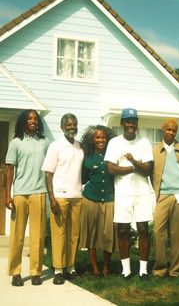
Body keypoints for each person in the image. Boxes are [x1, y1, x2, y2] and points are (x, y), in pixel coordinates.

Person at [104, 108, 153, 280]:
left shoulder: (144, 143)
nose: (130, 124)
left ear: (137, 123)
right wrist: (134, 167)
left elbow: (148, 170)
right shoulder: (114, 143)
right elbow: (110, 168)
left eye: (133, 121)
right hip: (123, 193)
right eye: (127, 121)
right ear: (122, 123)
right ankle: (126, 269)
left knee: (143, 230)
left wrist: (132, 160)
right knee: (123, 229)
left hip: (142, 192)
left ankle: (143, 269)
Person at [5, 109, 48, 287]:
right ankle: (16, 272)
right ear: (23, 121)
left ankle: (35, 272)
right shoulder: (15, 143)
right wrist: (8, 194)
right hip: (20, 194)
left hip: (39, 192)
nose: (33, 121)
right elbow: (10, 170)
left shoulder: (45, 143)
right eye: (29, 118)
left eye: (35, 119)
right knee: (17, 236)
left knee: (37, 236)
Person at [42, 113, 84, 285]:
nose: (72, 127)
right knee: (59, 234)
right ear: (62, 127)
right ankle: (58, 269)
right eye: (69, 125)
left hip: (77, 196)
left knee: (73, 235)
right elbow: (48, 173)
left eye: (74, 125)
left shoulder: (80, 147)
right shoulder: (55, 146)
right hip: (60, 196)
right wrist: (52, 198)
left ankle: (71, 267)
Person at [152, 118, 179, 278]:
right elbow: (152, 174)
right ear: (163, 129)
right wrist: (158, 190)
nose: (171, 132)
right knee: (158, 232)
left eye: (174, 130)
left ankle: (176, 270)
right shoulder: (155, 150)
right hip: (162, 195)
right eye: (168, 129)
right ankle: (160, 269)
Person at [78, 125, 118, 277]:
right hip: (90, 199)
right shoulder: (87, 156)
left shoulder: (113, 155)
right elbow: (83, 178)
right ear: (92, 140)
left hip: (109, 200)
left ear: (107, 139)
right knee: (91, 235)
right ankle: (95, 268)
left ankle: (106, 267)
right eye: (97, 137)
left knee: (109, 234)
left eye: (103, 137)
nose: (100, 140)